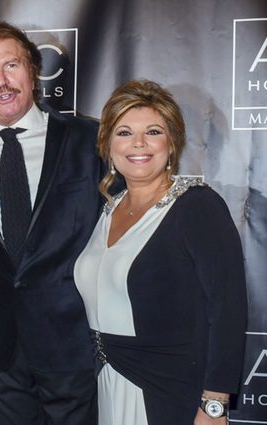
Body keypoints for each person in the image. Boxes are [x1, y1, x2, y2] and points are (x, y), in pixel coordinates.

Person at [0, 21, 104, 424]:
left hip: (72, 338)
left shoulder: (89, 141)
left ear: (32, 71)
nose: (1, 81)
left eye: (11, 65)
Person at [74, 79, 247, 425]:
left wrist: (214, 404)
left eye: (153, 131)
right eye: (124, 132)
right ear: (108, 144)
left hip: (171, 392)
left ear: (172, 143)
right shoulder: (109, 207)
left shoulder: (197, 205)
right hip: (108, 382)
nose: (138, 143)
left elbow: (228, 309)